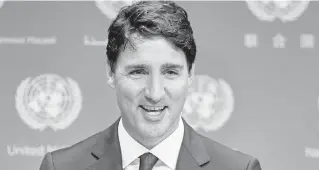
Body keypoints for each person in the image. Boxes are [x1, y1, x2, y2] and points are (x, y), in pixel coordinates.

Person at [40, 1, 262, 170]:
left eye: (170, 72)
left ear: (191, 74)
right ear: (110, 72)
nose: (155, 93)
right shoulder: (60, 167)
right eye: (138, 72)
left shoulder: (240, 168)